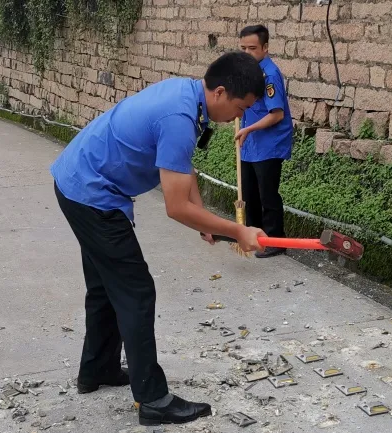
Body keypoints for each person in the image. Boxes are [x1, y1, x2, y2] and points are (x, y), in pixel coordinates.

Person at [49, 51, 267, 426]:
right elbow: (175, 206)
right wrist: (237, 230)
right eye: (241, 106)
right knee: (136, 292)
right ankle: (152, 400)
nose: (239, 117)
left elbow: (182, 169)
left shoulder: (188, 96)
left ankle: (97, 370)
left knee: (105, 286)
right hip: (91, 193)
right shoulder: (180, 117)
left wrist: (208, 221)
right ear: (219, 92)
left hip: (80, 179)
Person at [234, 24, 294, 258]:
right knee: (249, 193)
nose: (247, 53)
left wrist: (248, 128)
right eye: (243, 48)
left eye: (252, 48)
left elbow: (276, 114)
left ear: (265, 47)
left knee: (267, 194)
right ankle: (254, 238)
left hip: (268, 145)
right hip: (250, 144)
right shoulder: (249, 73)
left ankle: (275, 241)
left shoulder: (269, 75)